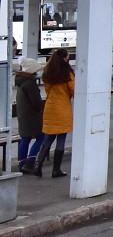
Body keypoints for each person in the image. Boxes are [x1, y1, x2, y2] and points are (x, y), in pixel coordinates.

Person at [24, 48, 74, 178]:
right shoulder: (67, 73)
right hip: (63, 107)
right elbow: (73, 89)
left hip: (50, 107)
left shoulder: (48, 72)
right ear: (64, 58)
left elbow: (47, 89)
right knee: (61, 139)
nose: (68, 59)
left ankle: (37, 166)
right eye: (68, 57)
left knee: (48, 137)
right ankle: (56, 170)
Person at [14, 58, 44, 173]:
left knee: (25, 139)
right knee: (41, 137)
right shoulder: (30, 84)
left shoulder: (21, 82)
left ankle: (22, 163)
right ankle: (30, 162)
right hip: (32, 116)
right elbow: (36, 102)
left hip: (23, 114)